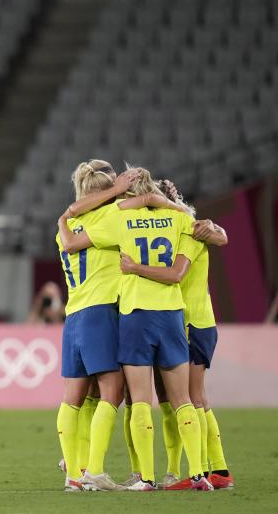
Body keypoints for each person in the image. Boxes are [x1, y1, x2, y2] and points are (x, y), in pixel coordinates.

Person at [60, 168, 214, 491]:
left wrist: (63, 221)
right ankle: (196, 473)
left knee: (130, 398)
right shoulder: (178, 220)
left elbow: (72, 240)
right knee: (180, 399)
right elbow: (213, 233)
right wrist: (172, 204)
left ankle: (130, 475)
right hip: (171, 315)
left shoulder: (118, 219)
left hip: (128, 315)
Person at [118, 180, 233, 490]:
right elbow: (220, 235)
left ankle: (215, 469)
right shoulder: (189, 226)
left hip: (190, 322)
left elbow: (178, 272)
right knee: (176, 398)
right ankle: (198, 470)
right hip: (185, 321)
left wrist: (135, 268)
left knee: (192, 397)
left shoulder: (189, 230)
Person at [53, 160, 137, 491]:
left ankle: (74, 470)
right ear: (106, 192)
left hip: (74, 316)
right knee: (113, 392)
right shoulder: (112, 215)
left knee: (74, 398)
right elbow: (139, 202)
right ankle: (94, 471)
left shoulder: (65, 227)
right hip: (101, 312)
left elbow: (72, 210)